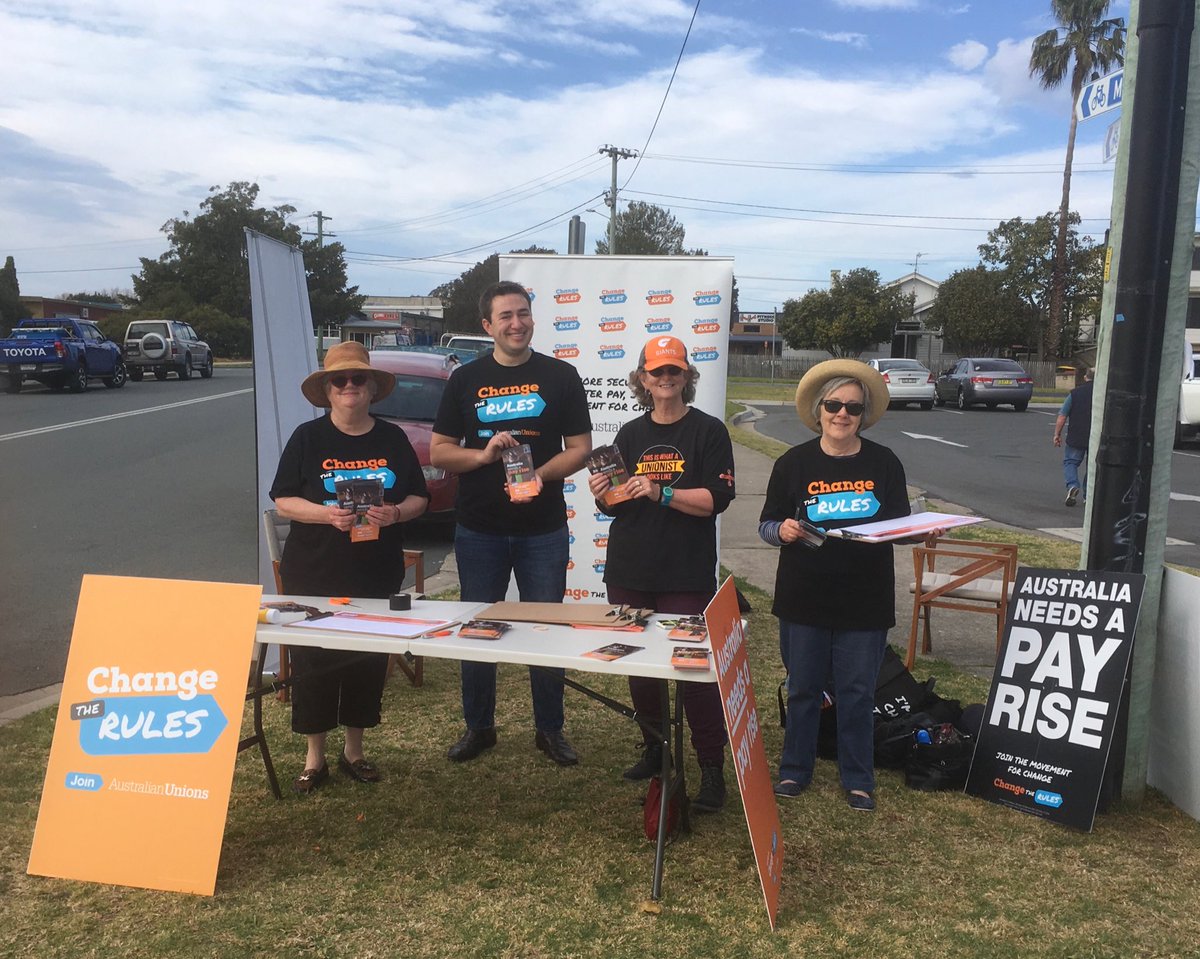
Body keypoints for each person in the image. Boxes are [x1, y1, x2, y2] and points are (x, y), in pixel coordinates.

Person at [431, 280, 592, 766]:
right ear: (488, 326)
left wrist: (540, 476)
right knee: (479, 629)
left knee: (546, 628)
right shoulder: (464, 380)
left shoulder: (561, 376)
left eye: (523, 313)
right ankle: (479, 727)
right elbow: (440, 452)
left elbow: (581, 449)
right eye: (505, 316)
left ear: (532, 319)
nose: (516, 323)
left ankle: (550, 730)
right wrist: (482, 455)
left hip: (541, 529)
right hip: (479, 529)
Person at [270, 341, 430, 795]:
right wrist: (326, 514)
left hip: (375, 570)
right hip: (314, 570)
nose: (349, 387)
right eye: (339, 380)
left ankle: (354, 752)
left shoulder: (393, 438)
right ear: (327, 389)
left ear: (371, 387)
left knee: (365, 659)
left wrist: (395, 514)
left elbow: (419, 497)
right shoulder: (307, 438)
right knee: (314, 662)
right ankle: (315, 757)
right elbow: (282, 498)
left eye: (358, 379)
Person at [586, 336, 736, 813]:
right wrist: (601, 493)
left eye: (674, 371)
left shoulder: (709, 431)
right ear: (642, 380)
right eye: (657, 372)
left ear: (687, 376)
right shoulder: (628, 434)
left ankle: (711, 765)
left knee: (694, 671)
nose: (666, 379)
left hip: (685, 572)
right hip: (631, 566)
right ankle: (654, 746)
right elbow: (616, 506)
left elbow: (715, 501)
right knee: (639, 665)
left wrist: (663, 492)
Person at [758, 359, 911, 812]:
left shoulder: (884, 462)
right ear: (819, 410)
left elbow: (902, 524)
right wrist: (781, 531)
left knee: (857, 693)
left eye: (852, 408)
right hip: (803, 596)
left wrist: (925, 530)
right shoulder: (792, 462)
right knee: (803, 687)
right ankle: (794, 770)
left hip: (865, 599)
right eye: (834, 405)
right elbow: (766, 524)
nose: (842, 414)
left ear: (863, 414)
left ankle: (858, 777)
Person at [1054, 368, 1094, 507]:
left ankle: (1072, 485)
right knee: (1092, 466)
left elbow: (1062, 416)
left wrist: (1057, 434)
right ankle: (1088, 495)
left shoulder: (1075, 393)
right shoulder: (1103, 393)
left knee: (1071, 462)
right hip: (1095, 435)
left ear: (1085, 377)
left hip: (1076, 434)